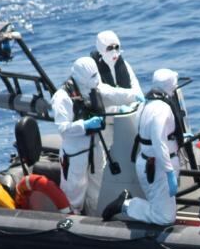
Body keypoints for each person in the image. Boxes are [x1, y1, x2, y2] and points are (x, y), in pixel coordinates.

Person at [52, 57, 137, 214]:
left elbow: (113, 93)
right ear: (81, 76)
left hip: (96, 147)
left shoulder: (93, 87)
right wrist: (85, 125)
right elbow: (63, 129)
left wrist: (134, 96)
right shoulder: (62, 97)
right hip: (75, 153)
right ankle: (72, 219)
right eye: (91, 76)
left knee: (97, 187)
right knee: (74, 190)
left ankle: (94, 218)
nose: (96, 80)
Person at [106, 69, 185, 225]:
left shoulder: (144, 103)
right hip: (159, 167)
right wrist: (169, 172)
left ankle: (132, 206)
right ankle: (126, 205)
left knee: (162, 208)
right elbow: (158, 142)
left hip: (148, 162)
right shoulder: (162, 109)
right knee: (165, 218)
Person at [90, 30, 144, 100]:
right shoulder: (94, 67)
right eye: (110, 48)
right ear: (101, 48)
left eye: (116, 47)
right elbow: (102, 90)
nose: (114, 51)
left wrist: (138, 96)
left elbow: (134, 82)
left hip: (127, 102)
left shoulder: (123, 64)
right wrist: (129, 95)